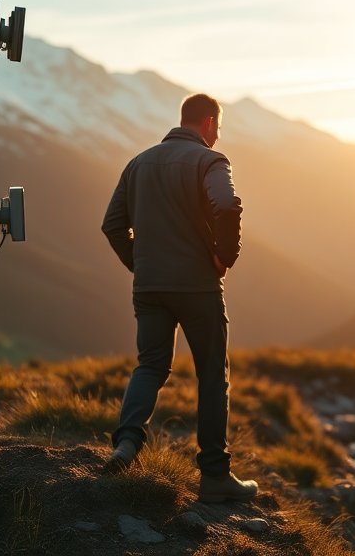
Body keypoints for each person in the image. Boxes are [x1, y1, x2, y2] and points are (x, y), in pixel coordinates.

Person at [99, 93, 258, 504]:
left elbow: (112, 225)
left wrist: (141, 264)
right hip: (197, 286)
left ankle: (127, 444)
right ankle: (215, 477)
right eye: (218, 128)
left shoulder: (138, 163)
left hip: (149, 286)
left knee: (150, 365)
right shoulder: (210, 161)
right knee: (211, 374)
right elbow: (225, 204)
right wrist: (226, 256)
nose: (218, 135)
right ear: (207, 123)